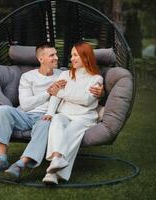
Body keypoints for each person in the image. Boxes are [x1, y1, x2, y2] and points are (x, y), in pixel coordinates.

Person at [0, 42, 103, 178]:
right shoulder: (27, 77)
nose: (57, 57)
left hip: (46, 117)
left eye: (56, 54)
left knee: (45, 124)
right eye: (52, 55)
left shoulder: (62, 74)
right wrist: (49, 92)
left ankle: (21, 163)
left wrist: (100, 92)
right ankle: (1, 159)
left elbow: (81, 83)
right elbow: (26, 105)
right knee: (2, 110)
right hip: (25, 115)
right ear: (41, 59)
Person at [41, 41, 103, 184]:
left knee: (69, 133)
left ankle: (53, 174)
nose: (72, 59)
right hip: (64, 113)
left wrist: (62, 92)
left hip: (84, 117)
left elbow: (86, 99)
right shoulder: (65, 74)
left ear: (86, 57)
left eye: (75, 55)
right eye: (71, 55)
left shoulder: (96, 79)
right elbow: (55, 95)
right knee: (56, 121)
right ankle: (57, 159)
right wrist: (50, 112)